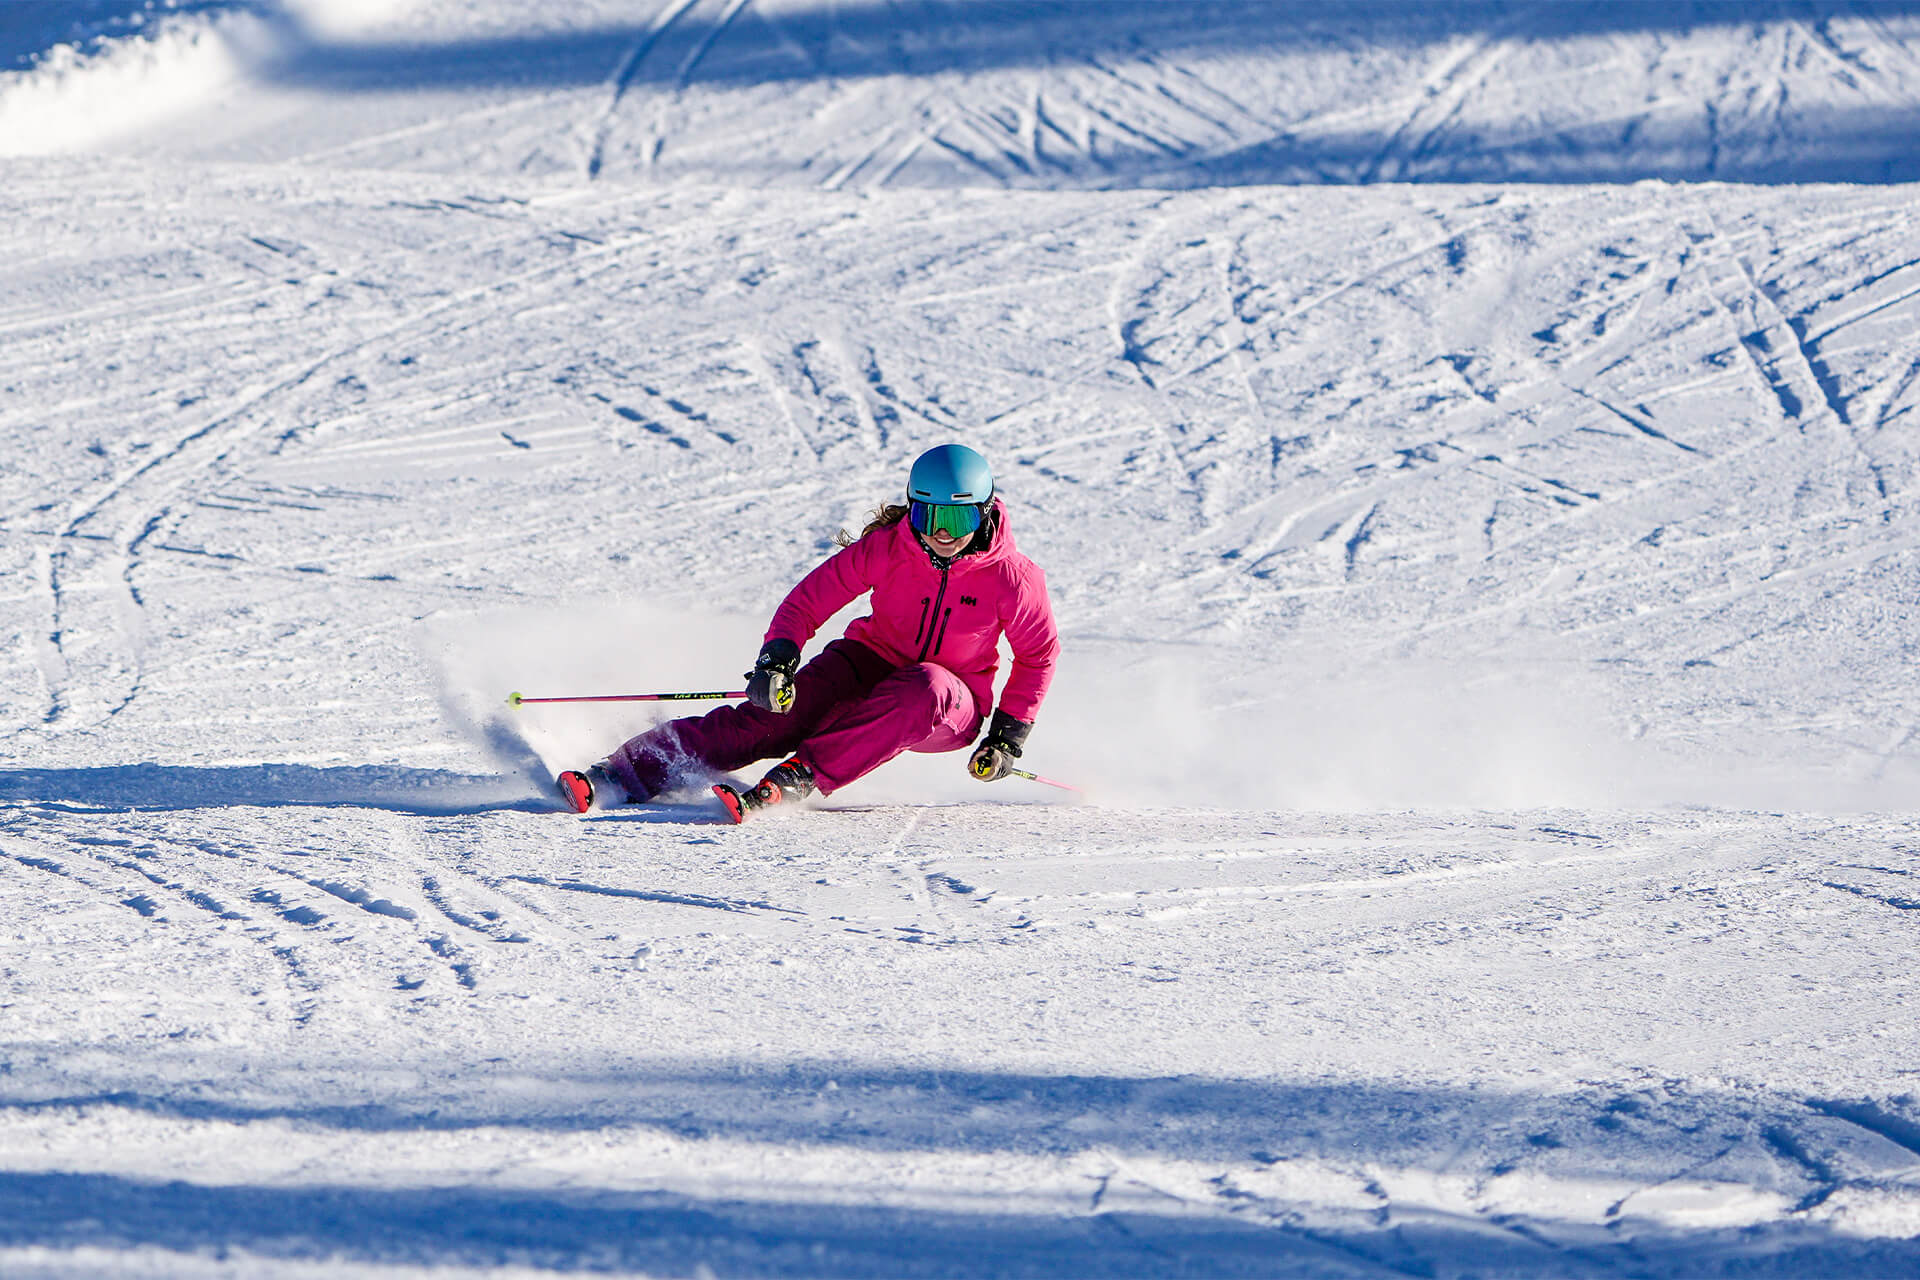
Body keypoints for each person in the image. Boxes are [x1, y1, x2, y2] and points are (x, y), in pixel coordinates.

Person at [557, 443, 1059, 822]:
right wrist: (776, 661)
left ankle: (802, 775)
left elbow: (1037, 655)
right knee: (771, 719)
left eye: (958, 516)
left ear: (985, 510)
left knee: (925, 685)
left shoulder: (1013, 578)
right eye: (929, 515)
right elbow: (809, 600)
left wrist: (1006, 737)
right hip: (867, 664)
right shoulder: (890, 548)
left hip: (950, 703)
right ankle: (620, 773)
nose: (942, 533)